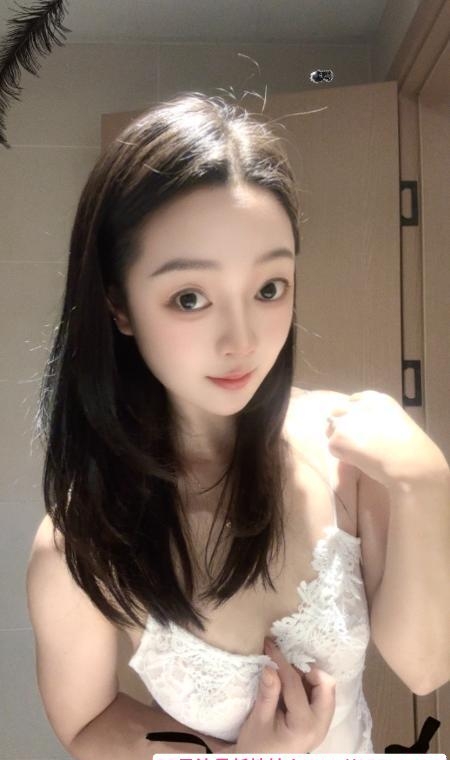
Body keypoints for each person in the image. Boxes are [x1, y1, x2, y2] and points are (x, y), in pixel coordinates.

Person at [26, 92, 449, 759]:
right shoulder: (81, 543)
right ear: (119, 305)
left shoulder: (349, 451)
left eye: (269, 288)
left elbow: (425, 668)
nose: (242, 340)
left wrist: (426, 485)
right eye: (190, 297)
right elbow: (86, 723)